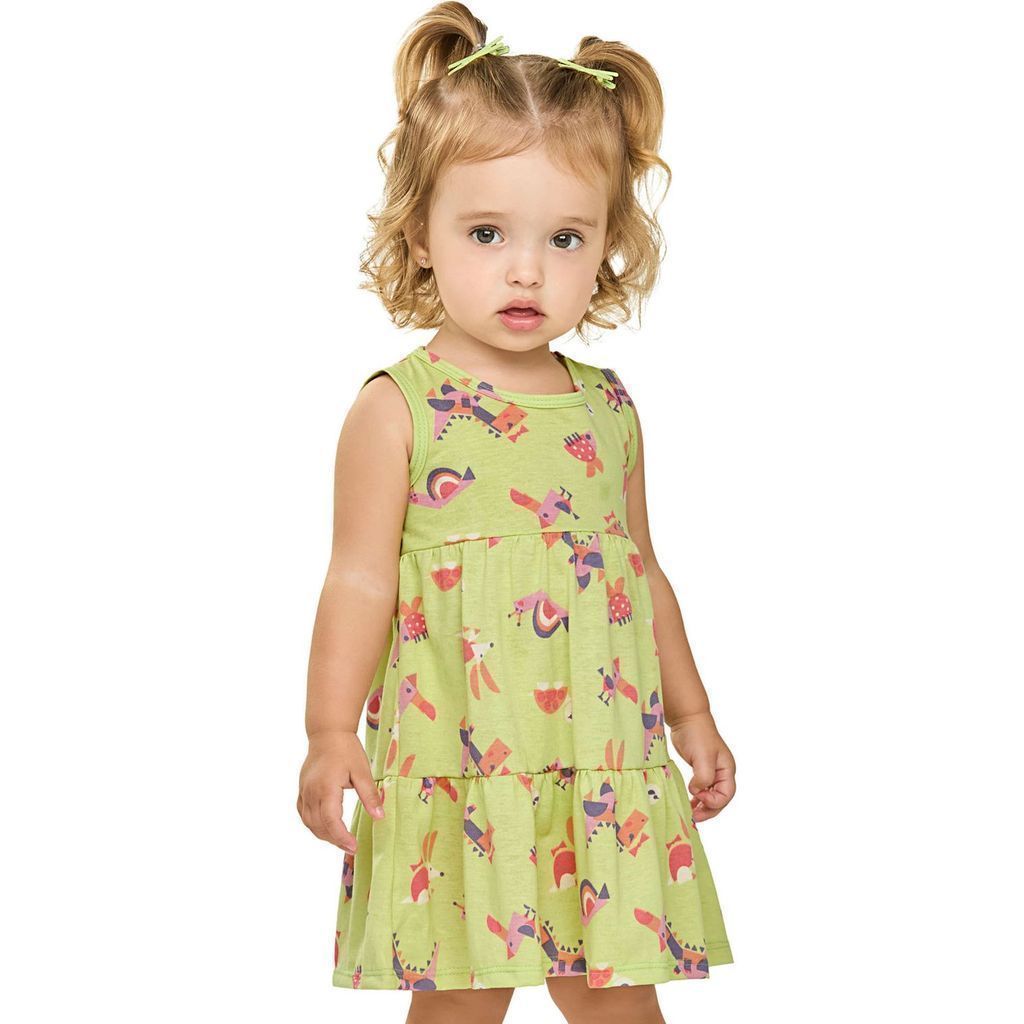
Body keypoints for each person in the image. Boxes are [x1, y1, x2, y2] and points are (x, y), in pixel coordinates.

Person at [297, 4, 737, 1022]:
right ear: (421, 232)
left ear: (608, 246)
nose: (527, 269)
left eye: (565, 237)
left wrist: (693, 714)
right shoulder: (398, 408)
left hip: (599, 767)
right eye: (487, 233)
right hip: (462, 761)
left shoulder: (607, 409)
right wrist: (328, 728)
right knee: (463, 995)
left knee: (616, 994)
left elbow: (641, 574)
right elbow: (358, 576)